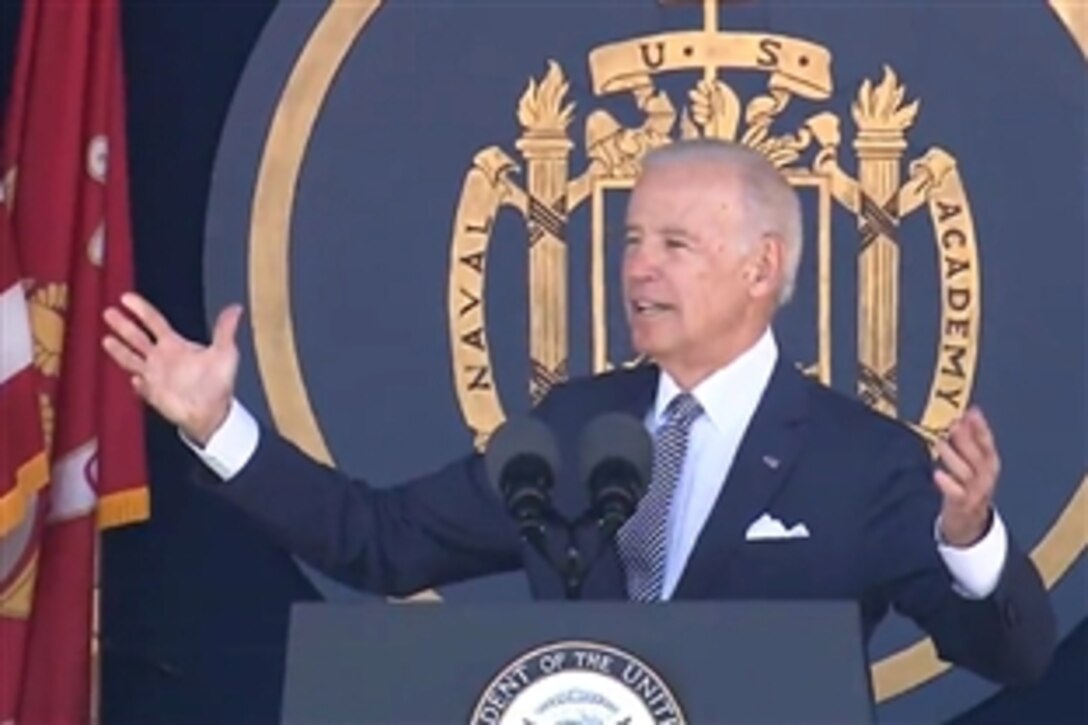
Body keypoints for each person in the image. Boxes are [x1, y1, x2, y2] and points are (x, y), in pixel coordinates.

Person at [102, 139, 1056, 685]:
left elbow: (1011, 656)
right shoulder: (571, 432)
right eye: (633, 239)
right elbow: (379, 541)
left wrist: (970, 541)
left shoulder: (869, 463)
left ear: (763, 267)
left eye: (675, 243)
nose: (637, 266)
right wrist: (216, 425)